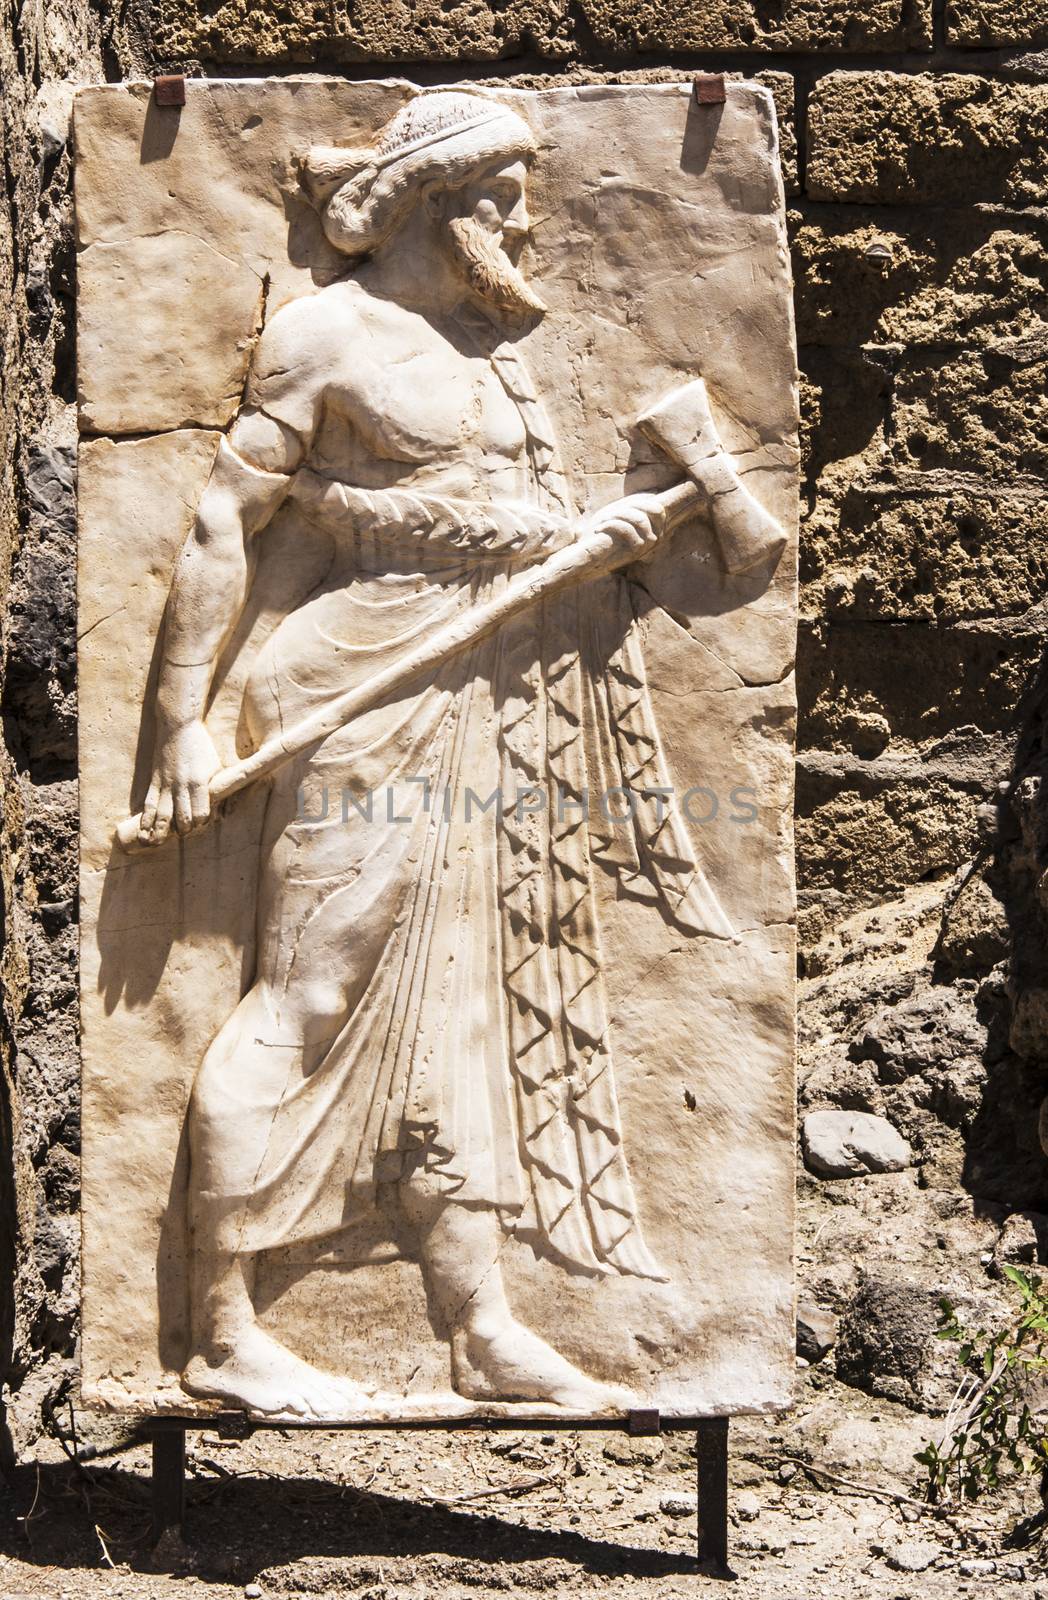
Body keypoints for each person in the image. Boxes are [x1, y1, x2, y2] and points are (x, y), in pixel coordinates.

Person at [138, 91, 732, 1419]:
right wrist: (180, 717)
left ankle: (476, 1324)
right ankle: (224, 1333)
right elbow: (226, 524)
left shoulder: (486, 353)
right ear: (440, 202)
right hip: (358, 688)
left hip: (481, 696)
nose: (527, 219)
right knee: (310, 996)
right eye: (506, 195)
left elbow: (499, 524)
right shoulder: (325, 335)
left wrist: (609, 534)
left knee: (459, 1007)